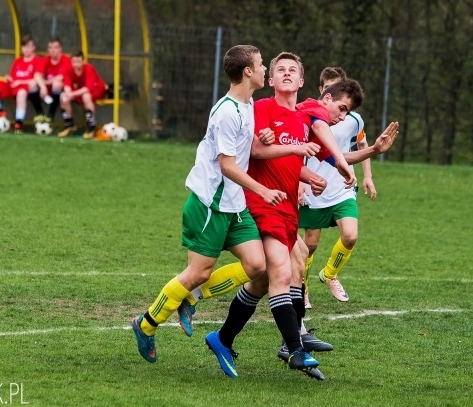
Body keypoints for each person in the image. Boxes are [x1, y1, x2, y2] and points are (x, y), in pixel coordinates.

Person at [203, 51, 368, 381]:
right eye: (280, 70)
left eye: (293, 69)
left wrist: (351, 162)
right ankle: (295, 348)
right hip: (261, 202)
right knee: (282, 269)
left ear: (302, 80)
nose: (287, 73)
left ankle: (222, 338)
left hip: (288, 209)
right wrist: (265, 140)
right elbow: (254, 151)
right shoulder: (260, 108)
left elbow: (322, 154)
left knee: (263, 279)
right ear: (272, 80)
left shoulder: (304, 118)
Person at [130, 44, 287, 368]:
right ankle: (145, 325)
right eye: (260, 65)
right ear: (247, 71)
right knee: (198, 271)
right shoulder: (227, 111)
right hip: (210, 205)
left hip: (234, 203)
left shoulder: (249, 104)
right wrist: (263, 190)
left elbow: (249, 150)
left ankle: (189, 298)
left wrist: (268, 140)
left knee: (257, 266)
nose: (263, 70)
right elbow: (228, 165)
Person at [300, 66, 376, 308]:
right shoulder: (308, 115)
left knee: (351, 235)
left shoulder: (352, 119)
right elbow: (300, 149)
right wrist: (300, 183)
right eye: (327, 87)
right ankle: (302, 288)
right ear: (323, 92)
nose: (342, 114)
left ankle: (330, 273)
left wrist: (368, 176)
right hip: (314, 187)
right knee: (309, 245)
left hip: (342, 187)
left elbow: (361, 146)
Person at [0, 35, 42, 134]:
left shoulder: (38, 61)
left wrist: (20, 82)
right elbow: (13, 77)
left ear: (33, 47)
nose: (26, 49)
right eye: (24, 47)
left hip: (25, 87)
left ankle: (18, 124)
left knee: (22, 92)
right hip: (13, 86)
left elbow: (36, 81)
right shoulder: (18, 61)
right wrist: (9, 79)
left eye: (29, 46)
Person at [57, 51, 107, 139]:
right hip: (79, 91)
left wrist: (72, 94)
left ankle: (91, 127)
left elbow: (88, 88)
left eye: (78, 62)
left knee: (86, 96)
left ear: (83, 61)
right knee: (63, 97)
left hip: (97, 89)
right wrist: (68, 94)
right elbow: (67, 86)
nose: (76, 64)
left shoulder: (89, 68)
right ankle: (69, 125)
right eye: (74, 62)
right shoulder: (68, 70)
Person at [34, 36, 72, 125]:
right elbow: (36, 75)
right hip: (47, 89)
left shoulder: (66, 60)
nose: (52, 50)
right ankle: (40, 114)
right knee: (33, 83)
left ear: (60, 49)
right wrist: (43, 87)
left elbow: (61, 77)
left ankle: (50, 115)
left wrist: (46, 82)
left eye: (55, 47)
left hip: (61, 89)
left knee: (57, 84)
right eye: (50, 48)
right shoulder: (45, 60)